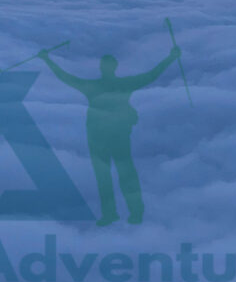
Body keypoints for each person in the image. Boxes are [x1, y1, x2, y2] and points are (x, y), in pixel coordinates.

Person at [37, 45, 178, 225]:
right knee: (115, 176)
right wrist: (171, 58)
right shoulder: (121, 85)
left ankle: (125, 213)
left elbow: (66, 78)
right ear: (114, 67)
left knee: (112, 176)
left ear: (103, 68)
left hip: (103, 137)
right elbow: (151, 75)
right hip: (107, 137)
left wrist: (46, 59)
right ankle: (125, 213)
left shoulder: (93, 87)